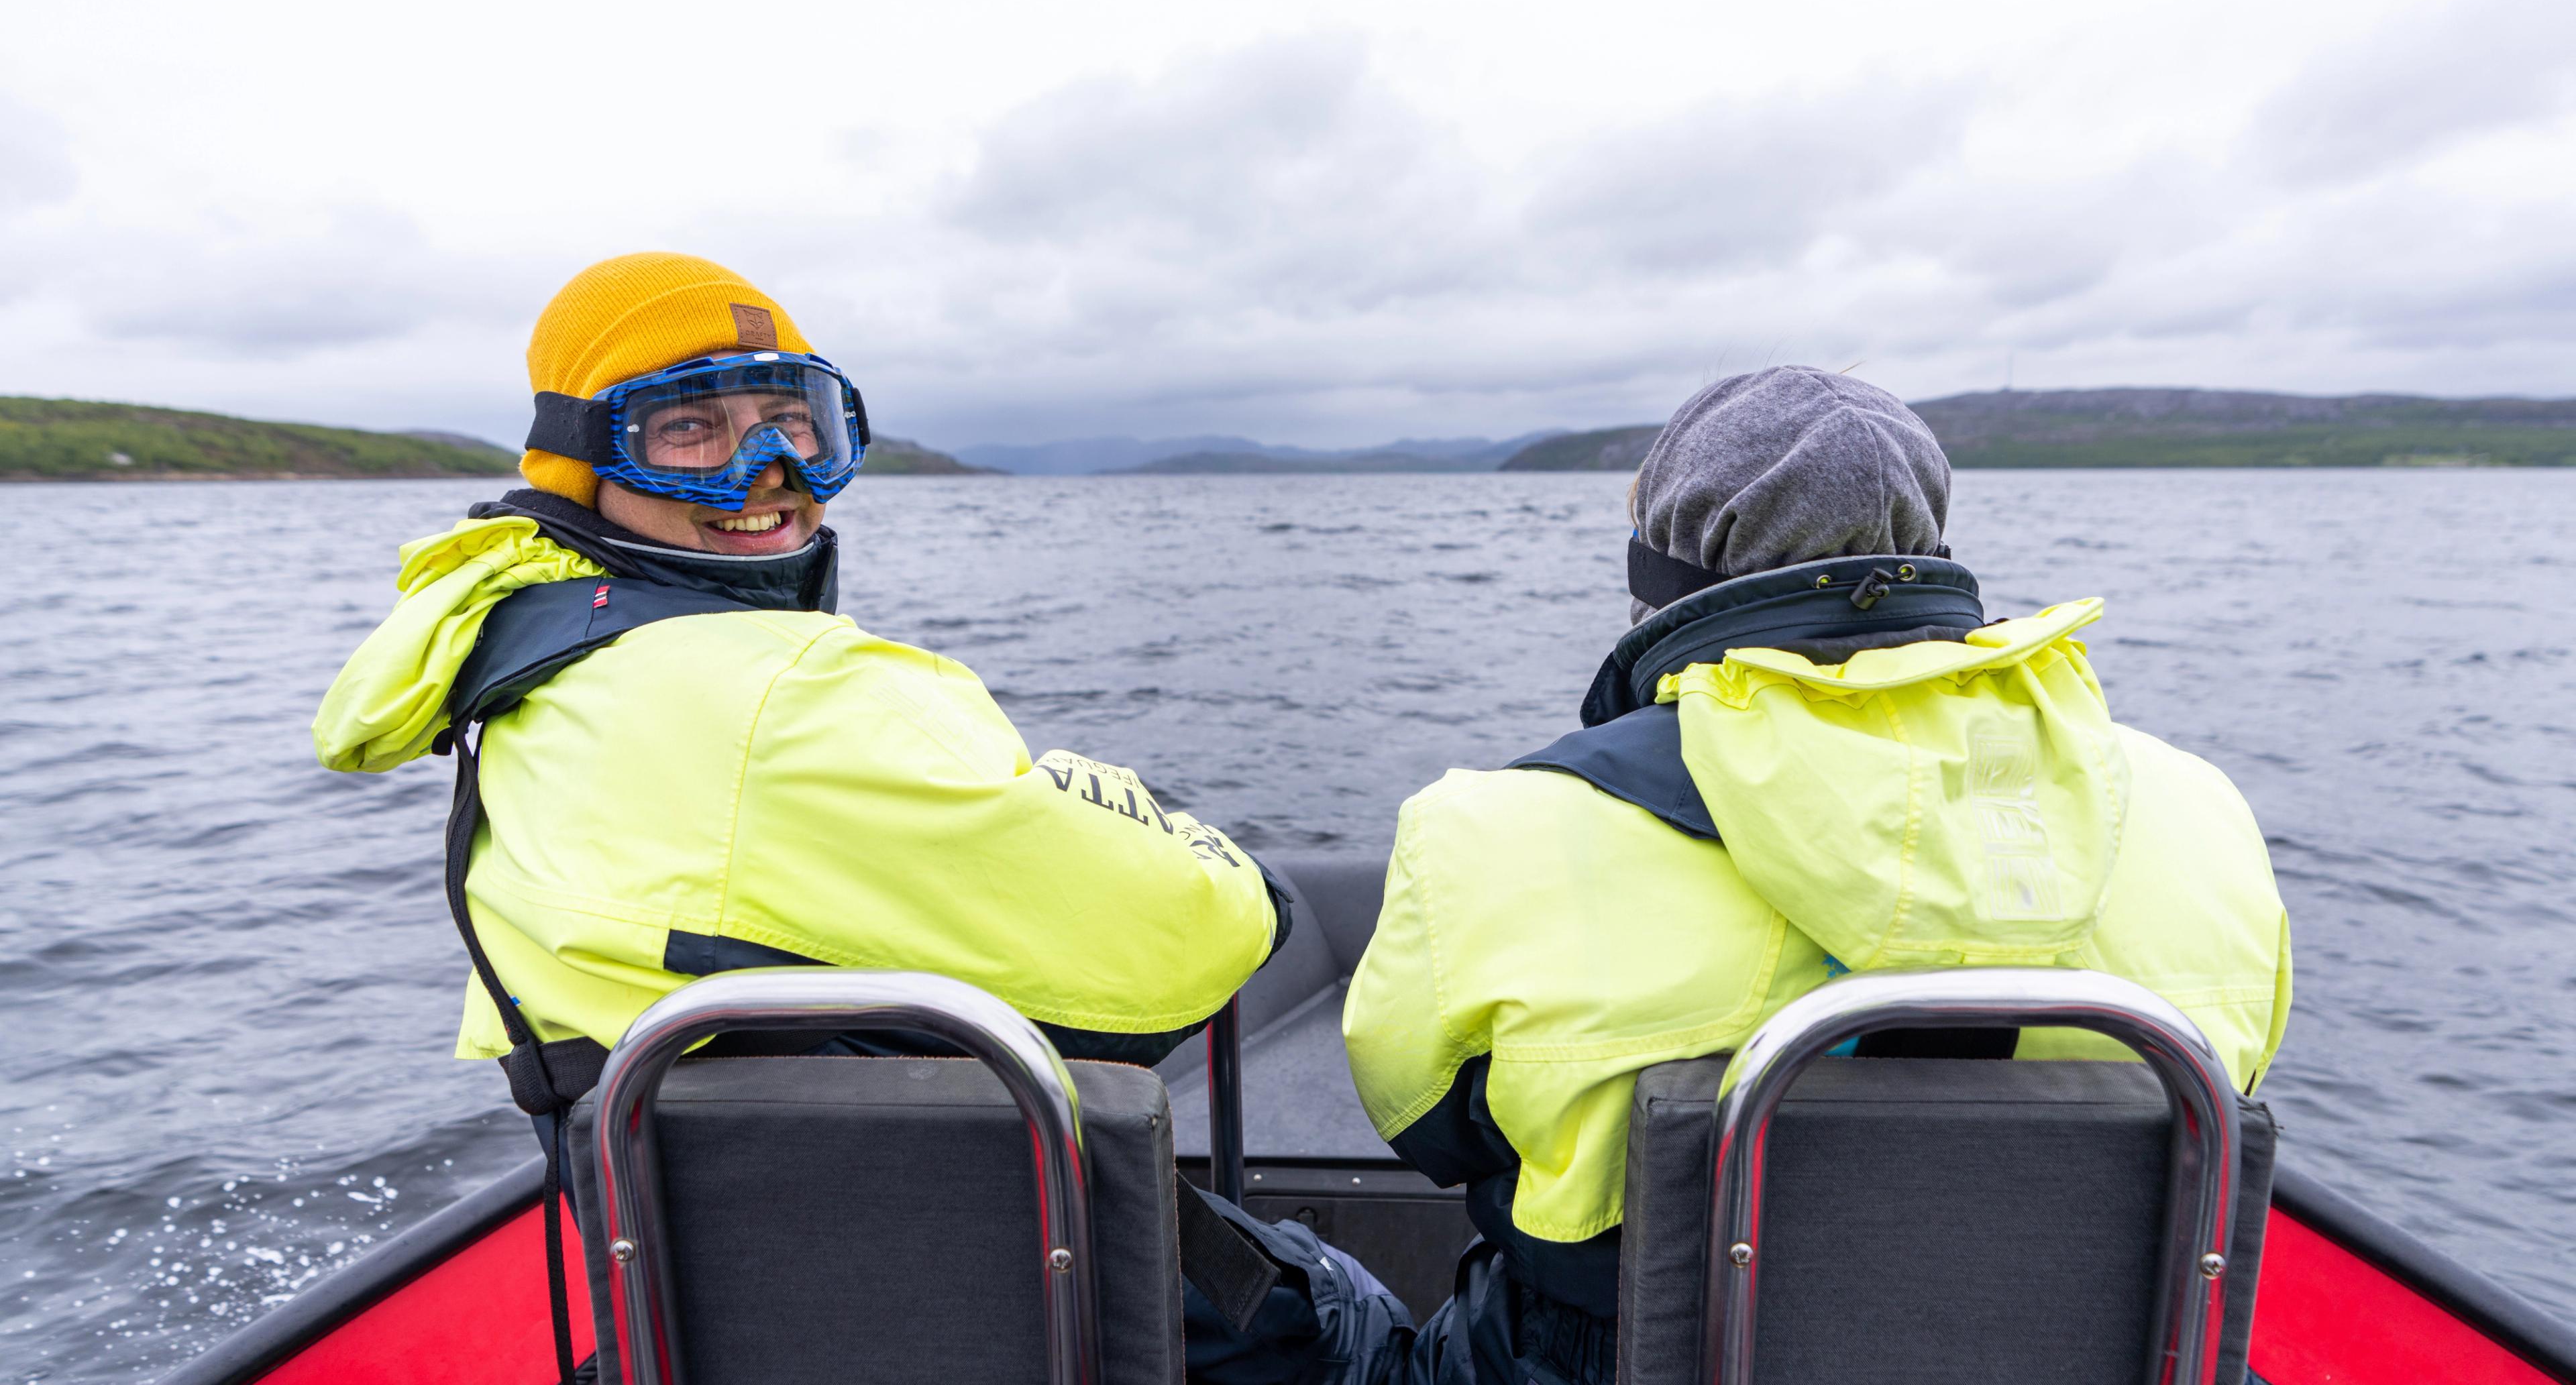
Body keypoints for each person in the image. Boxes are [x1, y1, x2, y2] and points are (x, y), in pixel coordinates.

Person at [312, 252, 1376, 1380]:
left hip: (721, 1299)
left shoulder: (524, 660)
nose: (767, 473)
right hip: (997, 1289)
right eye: (689, 431)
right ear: (582, 462)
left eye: (792, 421)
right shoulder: (788, 695)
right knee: (1352, 1309)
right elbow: (1195, 939)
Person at [1323, 366, 2295, 1385]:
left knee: (1325, 1309)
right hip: (2097, 1356)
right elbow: (2242, 1071)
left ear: (1659, 574)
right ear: (1933, 555)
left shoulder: (1496, 826)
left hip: (1619, 1359)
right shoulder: (2201, 810)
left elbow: (1427, 1122)